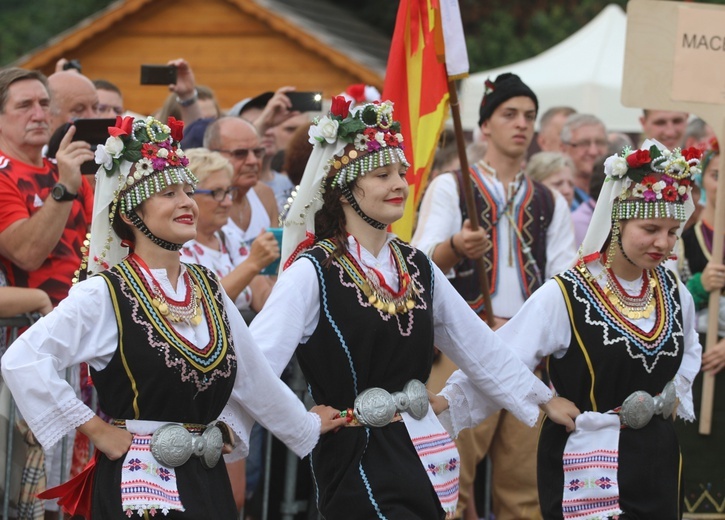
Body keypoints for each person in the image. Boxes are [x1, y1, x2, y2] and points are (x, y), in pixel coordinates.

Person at [1, 115, 346, 519]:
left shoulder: (207, 286)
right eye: (168, 193)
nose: (186, 203)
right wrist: (98, 431)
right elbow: (22, 359)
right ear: (131, 214)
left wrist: (304, 425)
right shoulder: (105, 293)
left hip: (205, 479)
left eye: (188, 190)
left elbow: (253, 376)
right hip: (139, 482)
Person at [249, 97, 574, 519]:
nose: (399, 184)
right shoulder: (312, 271)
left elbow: (478, 346)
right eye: (382, 175)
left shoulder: (417, 265)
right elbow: (255, 363)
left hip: (423, 448)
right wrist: (300, 421)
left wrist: (543, 398)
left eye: (401, 172)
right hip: (355, 453)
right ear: (345, 186)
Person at [444, 139, 703, 519]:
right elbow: (502, 357)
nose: (662, 243)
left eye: (672, 232)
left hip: (655, 459)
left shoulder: (672, 290)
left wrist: (672, 394)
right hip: (583, 456)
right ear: (618, 219)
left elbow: (690, 345)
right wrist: (540, 398)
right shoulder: (566, 293)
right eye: (650, 228)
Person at [412, 73, 576, 520]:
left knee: (524, 489)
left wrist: (528, 332)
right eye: (509, 114)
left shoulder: (548, 201)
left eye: (529, 116)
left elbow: (565, 282)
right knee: (451, 478)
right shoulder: (452, 187)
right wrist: (455, 248)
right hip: (464, 349)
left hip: (530, 356)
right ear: (484, 125)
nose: (521, 124)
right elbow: (419, 260)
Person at [676, 136, 725, 517]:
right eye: (715, 174)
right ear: (703, 181)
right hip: (696, 362)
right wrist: (699, 287)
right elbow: (667, 302)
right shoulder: (679, 240)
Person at [180, 148, 277, 315]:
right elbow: (202, 307)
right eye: (217, 193)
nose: (227, 202)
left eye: (228, 192)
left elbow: (263, 301)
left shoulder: (228, 236)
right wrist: (253, 263)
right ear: (188, 196)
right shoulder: (178, 245)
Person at [560, 113, 608, 210]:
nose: (593, 151)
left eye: (599, 142)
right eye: (584, 143)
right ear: (564, 148)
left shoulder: (618, 192)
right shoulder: (560, 196)